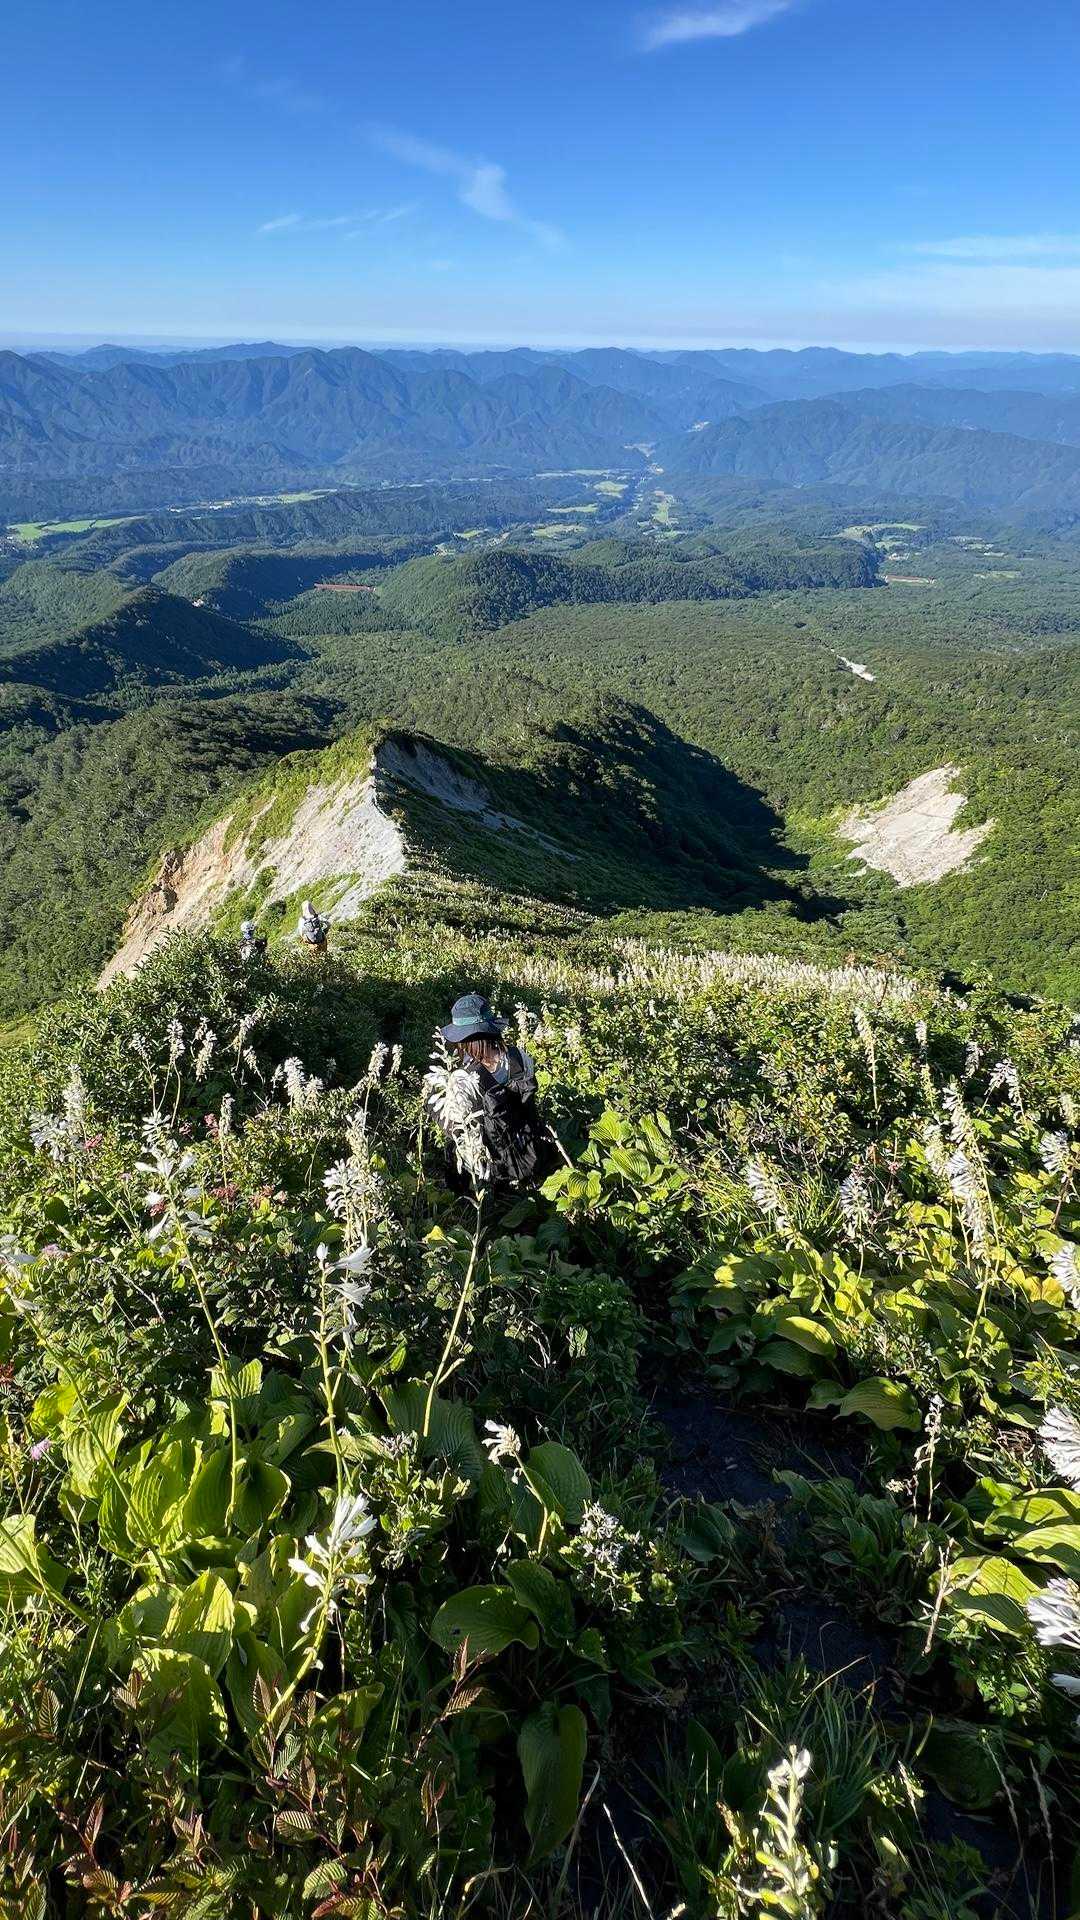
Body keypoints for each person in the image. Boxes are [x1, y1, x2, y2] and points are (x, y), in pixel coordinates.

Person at [426, 992, 548, 1191]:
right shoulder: (520, 1058)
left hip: (486, 1165)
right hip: (526, 1147)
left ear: (462, 1039)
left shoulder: (463, 1078)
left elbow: (455, 1127)